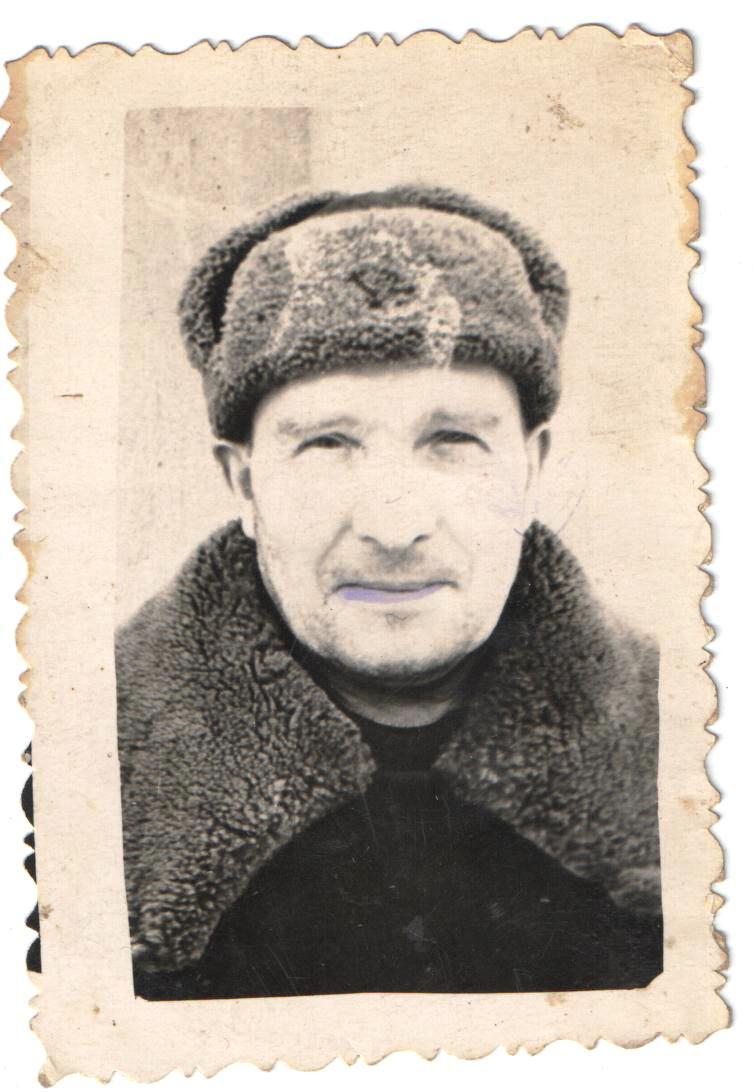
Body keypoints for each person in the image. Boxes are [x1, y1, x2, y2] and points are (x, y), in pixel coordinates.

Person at [117, 186, 662, 1000]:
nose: (394, 526)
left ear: (530, 467)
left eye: (452, 441)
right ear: (244, 483)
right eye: (326, 444)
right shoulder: (70, 759)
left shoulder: (699, 743)